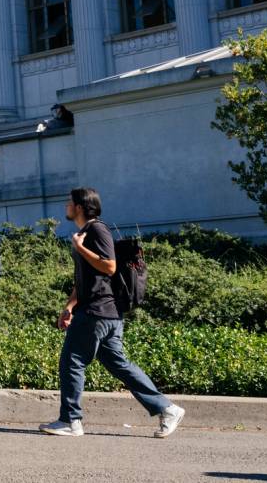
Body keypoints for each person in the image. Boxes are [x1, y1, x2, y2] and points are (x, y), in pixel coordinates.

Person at [42, 187, 184, 438]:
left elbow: (109, 266)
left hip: (98, 310)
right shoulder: (86, 232)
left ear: (81, 206)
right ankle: (168, 409)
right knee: (119, 364)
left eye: (69, 202)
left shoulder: (97, 229)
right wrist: (70, 306)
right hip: (103, 311)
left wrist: (80, 247)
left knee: (72, 361)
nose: (66, 205)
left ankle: (70, 420)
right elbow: (84, 277)